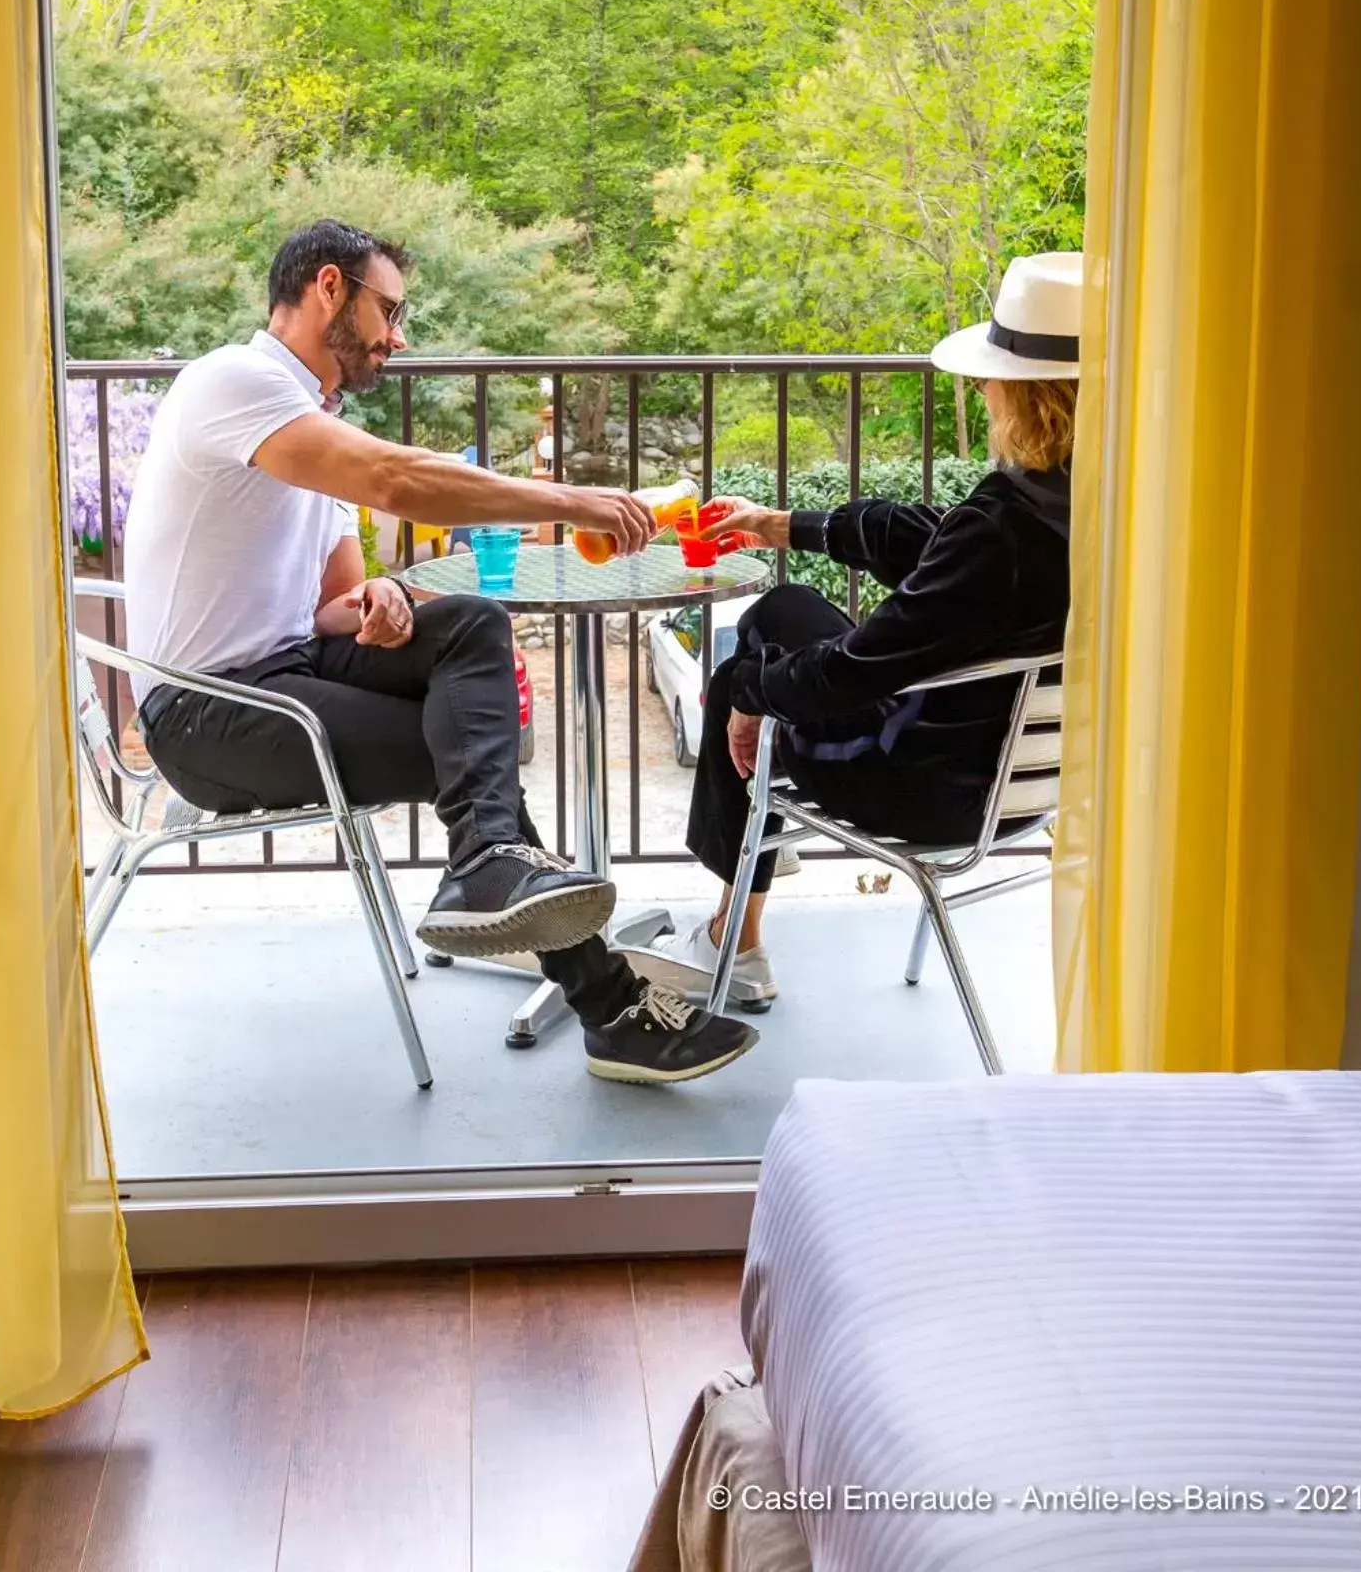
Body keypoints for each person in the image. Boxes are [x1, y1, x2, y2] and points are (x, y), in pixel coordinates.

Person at [121, 218, 758, 1085]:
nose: (399, 336)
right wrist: (573, 500)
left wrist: (377, 601)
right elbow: (394, 477)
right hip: (210, 716)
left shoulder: (308, 419)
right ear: (330, 289)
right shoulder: (235, 383)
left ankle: (496, 871)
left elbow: (331, 605)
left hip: (286, 674)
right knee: (468, 754)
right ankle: (598, 994)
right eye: (391, 310)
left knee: (468, 626)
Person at [628, 252, 1080, 1003]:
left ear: (1025, 395)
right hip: (1027, 784)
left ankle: (733, 935)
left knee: (745, 672)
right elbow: (925, 535)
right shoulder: (1092, 504)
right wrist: (778, 526)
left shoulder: (1002, 531)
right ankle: (748, 866)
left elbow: (854, 669)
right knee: (782, 610)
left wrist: (745, 692)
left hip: (923, 784)